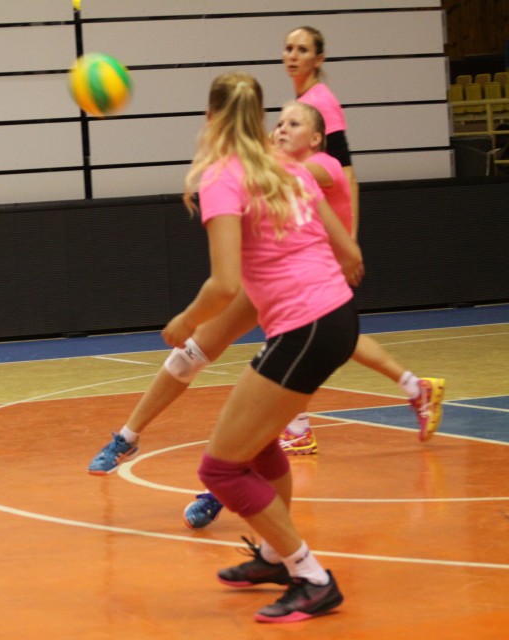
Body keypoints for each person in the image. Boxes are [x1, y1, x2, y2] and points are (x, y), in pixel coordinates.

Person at [87, 26, 444, 483]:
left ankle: (241, 469)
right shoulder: (267, 165)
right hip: (271, 280)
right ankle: (130, 435)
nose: (283, 129)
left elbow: (336, 179)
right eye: (280, 122)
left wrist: (346, 244)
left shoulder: (309, 164)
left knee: (273, 372)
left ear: (318, 137)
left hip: (298, 283)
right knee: (197, 357)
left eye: (295, 124)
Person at [168, 72, 361, 623]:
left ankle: (310, 575)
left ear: (210, 118)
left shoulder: (222, 178)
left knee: (220, 470)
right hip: (333, 316)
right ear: (258, 120)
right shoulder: (285, 165)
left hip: (306, 326)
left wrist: (184, 322)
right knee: (256, 446)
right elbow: (348, 251)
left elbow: (224, 284)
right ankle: (277, 557)